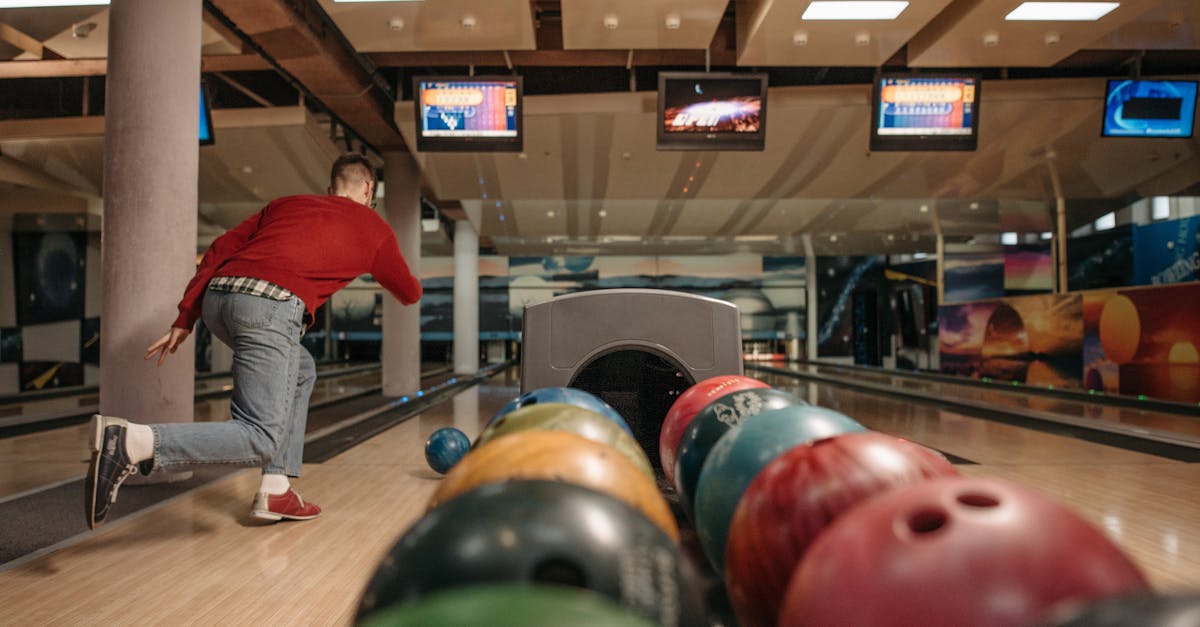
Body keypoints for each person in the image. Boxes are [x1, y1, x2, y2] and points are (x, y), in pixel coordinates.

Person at [85, 153, 422, 529]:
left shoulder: (285, 205)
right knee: (258, 436)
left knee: (302, 370)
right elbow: (409, 292)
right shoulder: (373, 227)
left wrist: (187, 316)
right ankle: (134, 441)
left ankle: (275, 488)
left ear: (330, 189)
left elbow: (218, 249)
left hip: (218, 300)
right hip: (269, 307)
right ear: (369, 189)